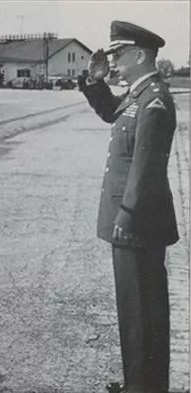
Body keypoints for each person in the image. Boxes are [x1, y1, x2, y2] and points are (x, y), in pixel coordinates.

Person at [78, 21, 178, 393]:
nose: (114, 61)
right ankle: (142, 384)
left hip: (138, 222)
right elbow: (111, 113)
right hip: (134, 220)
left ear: (139, 55)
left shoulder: (153, 100)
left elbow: (146, 166)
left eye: (118, 55)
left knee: (141, 313)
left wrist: (128, 213)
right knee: (135, 311)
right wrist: (94, 82)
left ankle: (145, 387)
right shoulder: (138, 95)